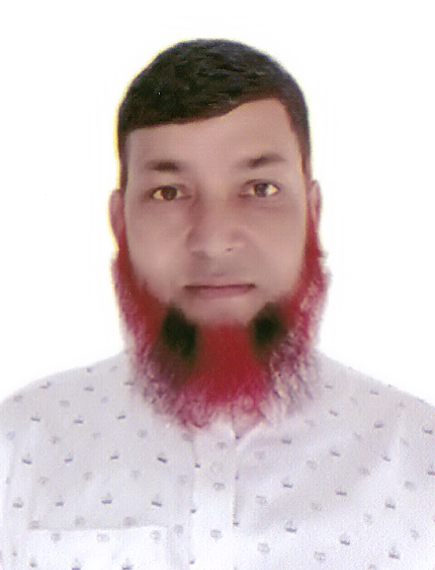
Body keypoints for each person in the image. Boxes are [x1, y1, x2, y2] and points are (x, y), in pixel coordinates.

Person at [0, 39, 434, 570]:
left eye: (260, 188)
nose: (213, 240)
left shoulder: (420, 458)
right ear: (119, 222)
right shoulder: (19, 446)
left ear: (312, 213)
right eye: (168, 193)